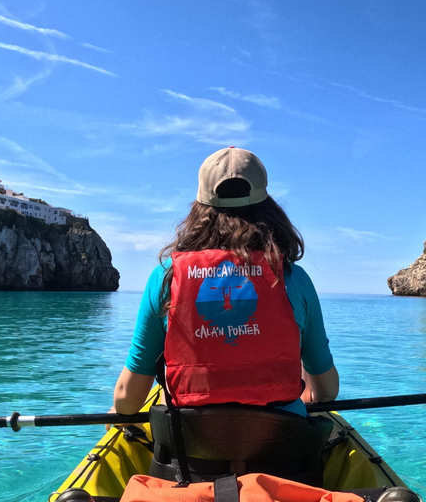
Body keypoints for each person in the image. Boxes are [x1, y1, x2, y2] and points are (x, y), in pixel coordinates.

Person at [112, 146, 339, 417]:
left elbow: (127, 399)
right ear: (268, 207)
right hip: (281, 450)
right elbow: (327, 391)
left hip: (189, 453)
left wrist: (118, 410)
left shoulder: (165, 277)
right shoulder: (294, 279)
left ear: (199, 208)